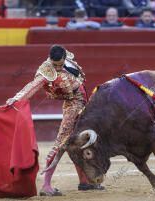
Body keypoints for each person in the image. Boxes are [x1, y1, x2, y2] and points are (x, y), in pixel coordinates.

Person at [6, 45, 104, 196]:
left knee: (82, 143)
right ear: (50, 59)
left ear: (65, 57)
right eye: (55, 65)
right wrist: (17, 98)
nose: (57, 68)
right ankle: (46, 185)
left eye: (60, 65)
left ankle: (85, 182)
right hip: (73, 105)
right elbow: (32, 86)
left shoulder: (69, 60)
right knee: (62, 142)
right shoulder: (46, 70)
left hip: (84, 104)